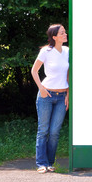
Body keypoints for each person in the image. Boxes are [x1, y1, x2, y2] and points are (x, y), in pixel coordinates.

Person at [31, 24, 69, 173]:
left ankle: (50, 163)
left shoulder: (67, 51)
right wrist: (41, 88)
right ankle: (41, 163)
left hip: (62, 97)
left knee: (54, 132)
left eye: (65, 32)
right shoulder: (45, 51)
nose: (65, 34)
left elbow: (68, 74)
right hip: (46, 95)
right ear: (54, 37)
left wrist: (68, 94)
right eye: (62, 33)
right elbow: (34, 71)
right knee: (43, 130)